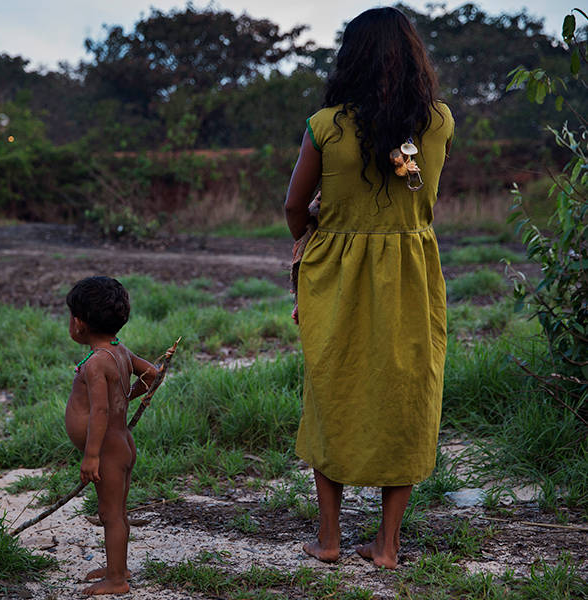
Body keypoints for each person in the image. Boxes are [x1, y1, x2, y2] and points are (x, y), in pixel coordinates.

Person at [284, 7, 454, 569]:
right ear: (414, 56)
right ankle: (387, 545)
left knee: (332, 389)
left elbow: (292, 204)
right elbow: (420, 197)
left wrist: (308, 229)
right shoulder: (437, 122)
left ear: (350, 57)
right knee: (406, 398)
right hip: (411, 271)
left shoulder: (325, 124)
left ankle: (329, 540)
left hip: (338, 274)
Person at [64, 276, 157, 595]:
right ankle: (119, 566)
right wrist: (129, 395)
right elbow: (152, 373)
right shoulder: (119, 351)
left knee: (110, 514)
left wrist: (91, 456)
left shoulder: (95, 363)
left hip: (107, 452)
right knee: (118, 511)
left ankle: (117, 580)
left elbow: (100, 413)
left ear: (79, 324)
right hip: (122, 445)